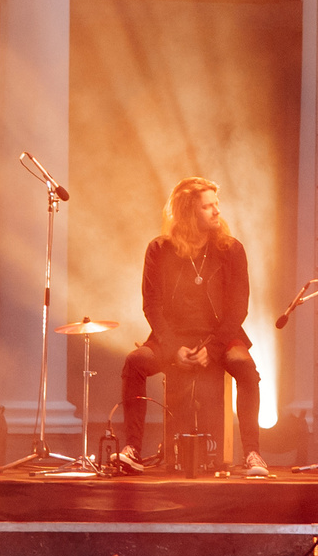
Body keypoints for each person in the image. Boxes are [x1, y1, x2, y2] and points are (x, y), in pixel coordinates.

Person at [115, 178, 268, 477]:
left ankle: (252, 453)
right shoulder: (159, 250)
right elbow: (152, 305)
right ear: (187, 212)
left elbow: (239, 308)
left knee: (246, 369)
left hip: (221, 336)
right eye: (207, 206)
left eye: (216, 204)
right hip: (173, 337)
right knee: (134, 363)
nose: (216, 211)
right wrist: (173, 348)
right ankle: (132, 448)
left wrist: (212, 347)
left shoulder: (232, 250)